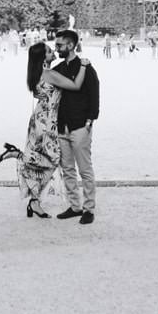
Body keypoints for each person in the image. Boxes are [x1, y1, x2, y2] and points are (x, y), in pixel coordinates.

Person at [0, 40, 92, 218]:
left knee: (41, 158)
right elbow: (76, 85)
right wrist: (84, 66)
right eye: (48, 51)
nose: (52, 51)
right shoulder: (49, 74)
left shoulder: (35, 74)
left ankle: (34, 201)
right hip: (48, 122)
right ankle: (19, 157)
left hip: (38, 119)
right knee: (52, 159)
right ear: (42, 57)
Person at [50, 29, 101, 224]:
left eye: (60, 45)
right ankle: (75, 205)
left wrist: (90, 120)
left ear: (70, 45)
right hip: (62, 126)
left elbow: (94, 94)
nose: (57, 49)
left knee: (85, 169)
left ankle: (89, 208)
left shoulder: (86, 67)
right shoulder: (59, 68)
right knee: (68, 169)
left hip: (80, 125)